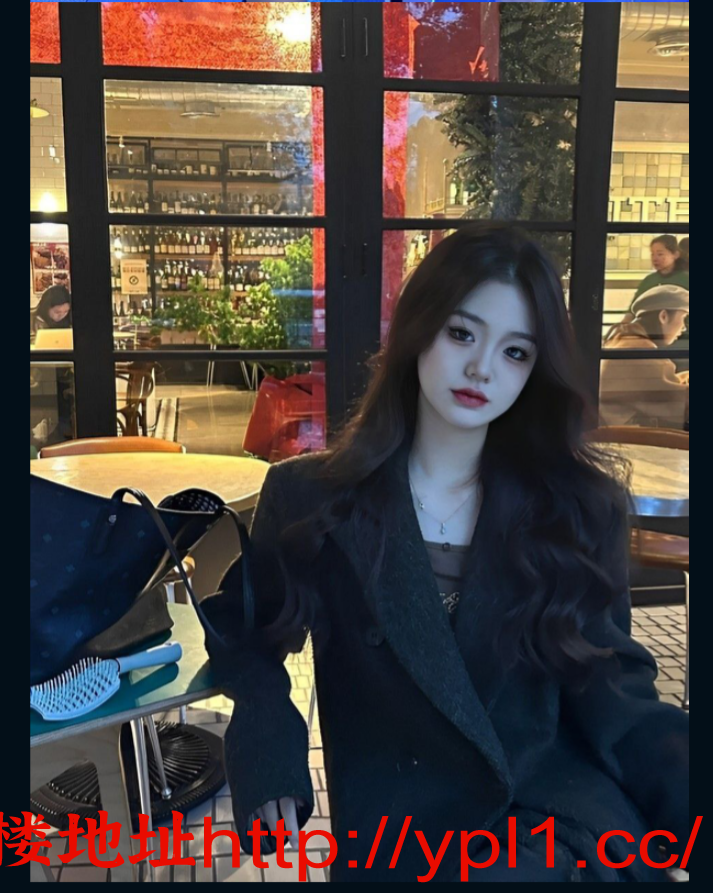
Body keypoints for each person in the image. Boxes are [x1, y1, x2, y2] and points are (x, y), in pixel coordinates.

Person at [205, 224, 689, 882]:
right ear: (418, 330)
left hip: (556, 817)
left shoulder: (575, 506)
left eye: (515, 351)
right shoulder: (314, 497)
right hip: (405, 830)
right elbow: (244, 630)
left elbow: (615, 692)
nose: (482, 368)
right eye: (462, 333)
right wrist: (267, 731)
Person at [600, 284, 689, 430]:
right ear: (663, 316)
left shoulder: (624, 339)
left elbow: (659, 383)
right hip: (621, 437)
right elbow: (680, 403)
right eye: (683, 318)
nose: (684, 328)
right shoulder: (637, 350)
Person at [604, 235, 689, 344]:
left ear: (675, 255)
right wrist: (620, 330)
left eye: (660, 254)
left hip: (683, 340)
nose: (655, 258)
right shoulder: (649, 280)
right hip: (654, 339)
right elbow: (632, 312)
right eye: (652, 254)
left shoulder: (686, 279)